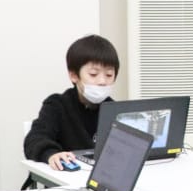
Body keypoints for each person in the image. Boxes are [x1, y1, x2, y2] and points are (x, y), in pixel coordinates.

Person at [24, 34, 121, 171]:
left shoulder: (115, 110)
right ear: (74, 75)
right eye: (93, 74)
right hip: (66, 176)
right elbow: (35, 138)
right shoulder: (57, 105)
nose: (102, 81)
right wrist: (51, 154)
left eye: (109, 75)